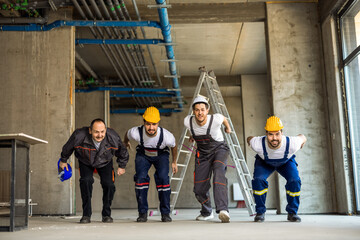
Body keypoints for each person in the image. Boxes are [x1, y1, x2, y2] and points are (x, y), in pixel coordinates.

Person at [59, 118, 129, 224]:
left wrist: (122, 166)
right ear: (90, 130)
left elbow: (122, 151)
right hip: (85, 161)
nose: (100, 135)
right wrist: (63, 160)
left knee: (109, 185)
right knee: (86, 181)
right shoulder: (79, 135)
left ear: (106, 130)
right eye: (96, 132)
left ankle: (106, 214)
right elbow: (68, 147)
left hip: (105, 161)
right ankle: (86, 215)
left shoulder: (113, 137)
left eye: (102, 132)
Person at [247, 116, 307, 222]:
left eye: (277, 134)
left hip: (286, 162)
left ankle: (292, 213)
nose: (274, 138)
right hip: (264, 162)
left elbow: (302, 136)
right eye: (270, 134)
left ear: (282, 133)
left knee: (295, 180)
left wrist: (303, 142)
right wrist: (249, 141)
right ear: (266, 134)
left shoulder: (292, 143)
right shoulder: (258, 144)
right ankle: (260, 212)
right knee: (258, 180)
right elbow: (249, 138)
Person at [123, 106, 178, 223]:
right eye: (148, 124)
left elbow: (174, 146)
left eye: (154, 124)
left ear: (158, 123)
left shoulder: (167, 136)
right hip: (143, 154)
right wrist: (126, 143)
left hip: (161, 155)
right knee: (140, 179)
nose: (151, 127)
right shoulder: (136, 132)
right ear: (143, 122)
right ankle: (142, 213)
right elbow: (127, 135)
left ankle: (165, 213)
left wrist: (174, 162)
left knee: (163, 179)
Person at [184, 96, 231, 223]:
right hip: (203, 154)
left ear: (207, 110)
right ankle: (206, 212)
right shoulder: (187, 121)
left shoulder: (215, 119)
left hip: (219, 150)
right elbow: (194, 128)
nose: (200, 113)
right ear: (193, 111)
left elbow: (224, 119)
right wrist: (192, 136)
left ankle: (223, 210)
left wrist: (228, 128)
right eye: (197, 110)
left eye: (203, 110)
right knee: (199, 188)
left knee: (218, 173)